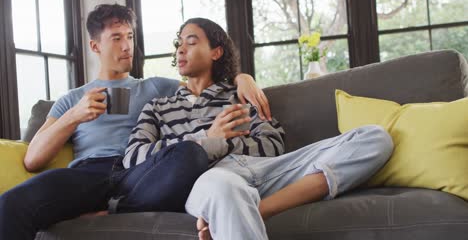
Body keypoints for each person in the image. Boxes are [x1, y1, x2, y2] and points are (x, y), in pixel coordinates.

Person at [0, 4, 271, 240]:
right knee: (11, 204)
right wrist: (74, 116)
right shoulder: (71, 99)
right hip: (90, 173)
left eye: (129, 36)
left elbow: (203, 82)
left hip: (142, 172)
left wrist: (241, 78)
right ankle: (117, 204)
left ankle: (118, 207)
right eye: (116, 38)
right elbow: (32, 159)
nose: (127, 45)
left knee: (191, 152)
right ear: (95, 46)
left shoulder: (155, 87)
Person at [124, 17, 394, 240]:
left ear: (216, 52)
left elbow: (273, 144)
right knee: (226, 189)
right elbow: (133, 157)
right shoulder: (159, 106)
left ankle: (259, 208)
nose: (181, 49)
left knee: (374, 137)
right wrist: (207, 140)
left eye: (191, 42)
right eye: (178, 44)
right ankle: (242, 205)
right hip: (208, 176)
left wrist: (226, 141)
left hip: (267, 172)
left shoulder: (240, 94)